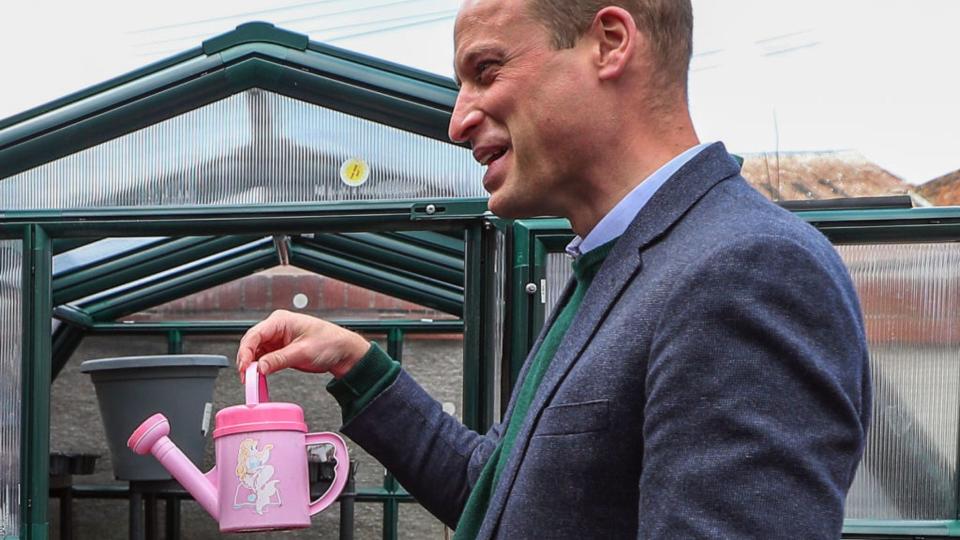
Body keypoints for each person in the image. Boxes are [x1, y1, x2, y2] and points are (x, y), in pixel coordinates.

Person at [236, 0, 871, 537]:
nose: (457, 122)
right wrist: (358, 367)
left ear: (609, 43)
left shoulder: (746, 271)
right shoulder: (617, 264)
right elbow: (500, 496)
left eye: (486, 70)